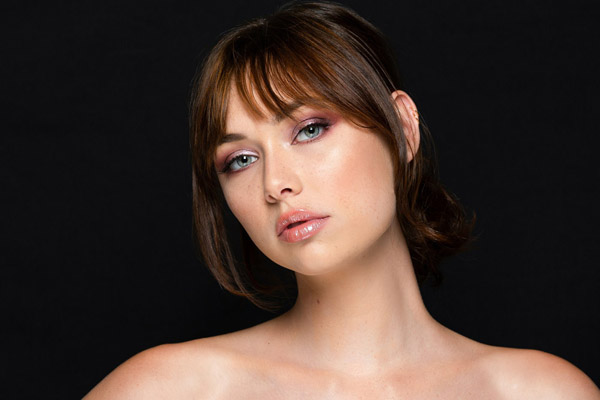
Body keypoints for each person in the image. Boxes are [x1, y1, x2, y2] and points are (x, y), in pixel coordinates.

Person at [85, 2, 600, 398]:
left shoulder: (539, 392)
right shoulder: (172, 389)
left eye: (310, 129)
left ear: (402, 128)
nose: (275, 184)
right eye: (240, 159)